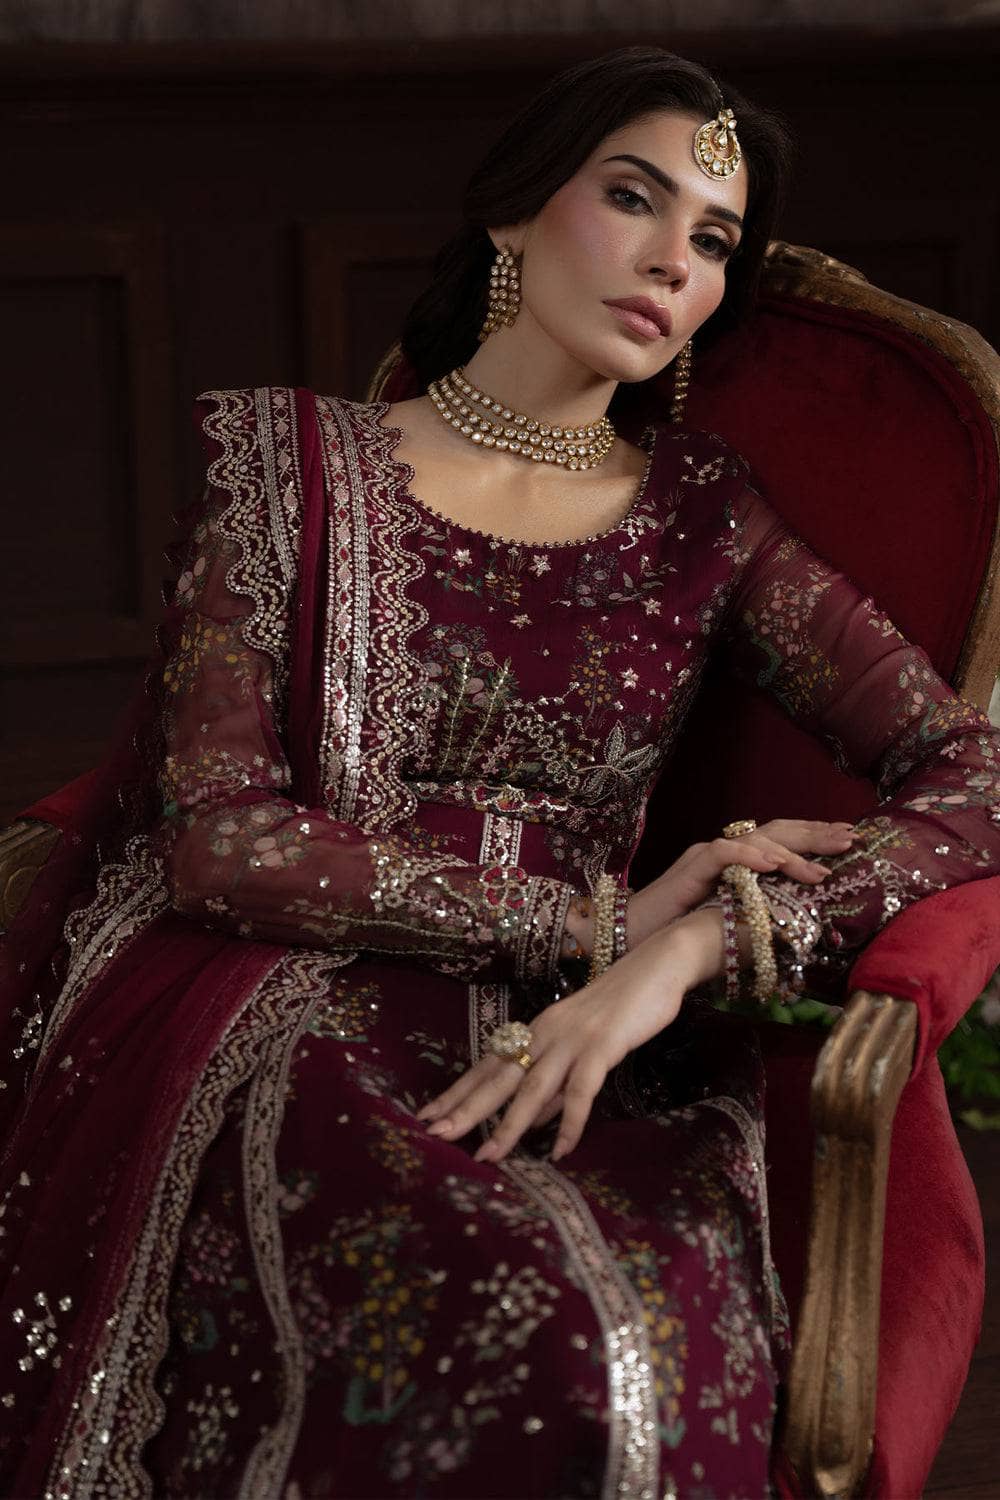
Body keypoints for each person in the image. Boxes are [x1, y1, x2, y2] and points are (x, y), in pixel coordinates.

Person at [0, 44, 997, 1500]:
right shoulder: (281, 463)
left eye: (714, 238)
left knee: (617, 1355)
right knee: (465, 1321)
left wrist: (696, 949)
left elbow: (972, 770)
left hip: (597, 1036)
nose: (674, 260)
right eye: (635, 198)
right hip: (272, 989)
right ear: (516, 212)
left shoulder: (708, 528)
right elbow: (218, 838)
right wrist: (598, 922)